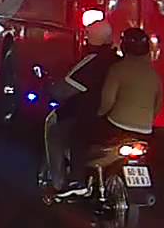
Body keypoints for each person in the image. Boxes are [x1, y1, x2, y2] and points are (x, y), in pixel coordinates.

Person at [44, 20, 118, 194]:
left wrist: (49, 89)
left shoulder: (92, 62)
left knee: (56, 132)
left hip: (92, 118)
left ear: (90, 39)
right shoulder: (118, 60)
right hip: (116, 119)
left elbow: (64, 89)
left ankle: (60, 183)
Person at [97, 26, 163, 138]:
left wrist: (99, 114)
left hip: (118, 125)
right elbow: (158, 105)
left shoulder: (118, 69)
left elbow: (108, 100)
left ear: (124, 46)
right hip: (145, 131)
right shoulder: (154, 75)